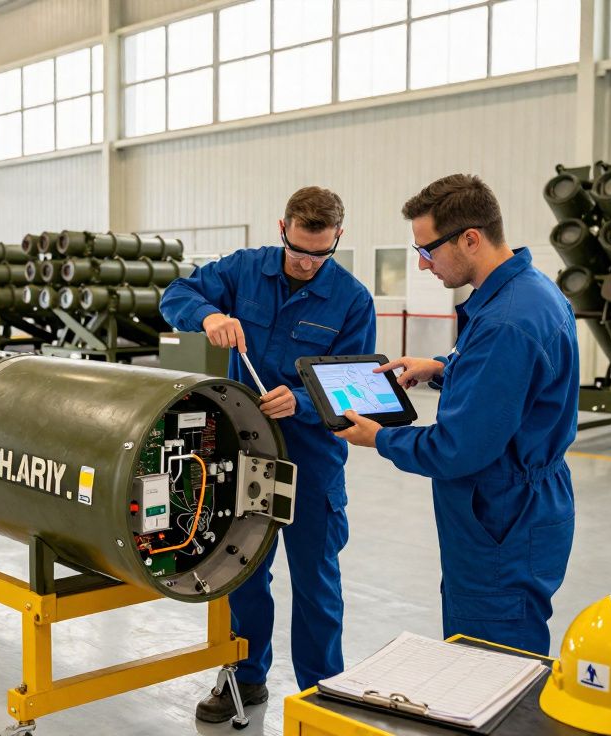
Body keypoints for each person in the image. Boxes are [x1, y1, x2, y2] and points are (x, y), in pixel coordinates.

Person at [335, 174, 577, 656]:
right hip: (523, 504)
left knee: (494, 661)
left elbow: (457, 449)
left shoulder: (505, 322)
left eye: (428, 250)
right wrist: (444, 368)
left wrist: (379, 439)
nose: (424, 265)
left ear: (470, 238)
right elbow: (517, 384)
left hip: (500, 517)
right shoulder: (528, 293)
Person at [160, 186, 376, 722]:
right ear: (282, 228)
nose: (306, 263)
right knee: (243, 572)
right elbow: (175, 295)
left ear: (338, 240)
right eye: (298, 249)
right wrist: (207, 315)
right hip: (244, 449)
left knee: (315, 581)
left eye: (319, 254)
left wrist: (302, 400)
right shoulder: (244, 270)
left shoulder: (352, 300)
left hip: (311, 459)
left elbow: (356, 391)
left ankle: (322, 695)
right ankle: (246, 679)